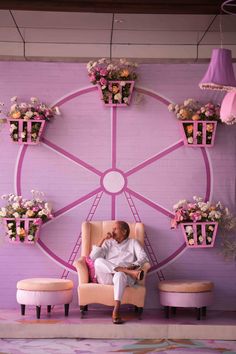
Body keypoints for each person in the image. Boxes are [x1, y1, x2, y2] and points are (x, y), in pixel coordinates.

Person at [89, 220, 149, 324]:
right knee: (98, 261)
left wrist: (135, 265)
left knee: (120, 274)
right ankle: (126, 271)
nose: (112, 231)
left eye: (115, 229)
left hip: (123, 278)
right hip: (107, 277)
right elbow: (93, 257)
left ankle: (116, 309)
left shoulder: (133, 242)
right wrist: (103, 239)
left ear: (124, 231)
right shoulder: (108, 243)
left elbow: (143, 257)